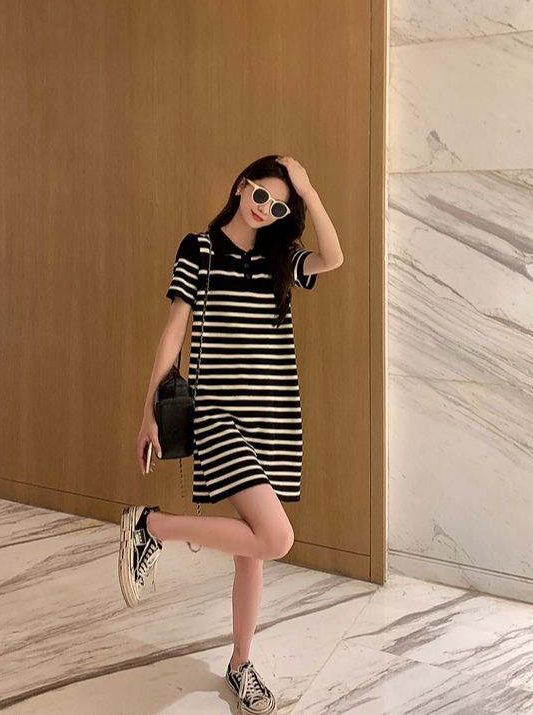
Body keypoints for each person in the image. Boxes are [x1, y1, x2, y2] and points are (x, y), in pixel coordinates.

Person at [118, 154, 343, 715]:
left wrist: (308, 192)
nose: (266, 209)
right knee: (277, 538)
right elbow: (174, 334)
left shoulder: (280, 259)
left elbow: (335, 257)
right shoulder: (199, 249)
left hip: (275, 417)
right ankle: (152, 526)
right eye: (261, 196)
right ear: (242, 187)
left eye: (279, 207)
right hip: (220, 414)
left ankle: (241, 663)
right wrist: (148, 409)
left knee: (253, 552)